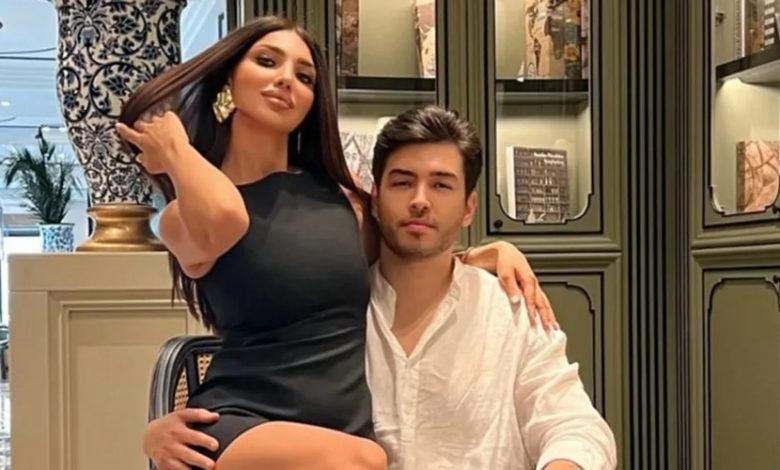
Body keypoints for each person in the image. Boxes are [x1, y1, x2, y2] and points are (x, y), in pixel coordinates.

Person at [116, 16, 557, 470]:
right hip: (243, 424)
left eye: (305, 76)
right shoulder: (183, 219)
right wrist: (176, 151)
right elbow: (228, 214)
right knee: (364, 460)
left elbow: (408, 256)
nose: (286, 79)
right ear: (229, 79)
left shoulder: (344, 204)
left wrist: (487, 252)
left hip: (336, 436)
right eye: (267, 62)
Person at [365, 106, 617, 469]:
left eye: (441, 185)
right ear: (375, 199)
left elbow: (574, 425)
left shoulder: (511, 311)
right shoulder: (336, 313)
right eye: (403, 182)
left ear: (469, 208)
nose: (420, 200)